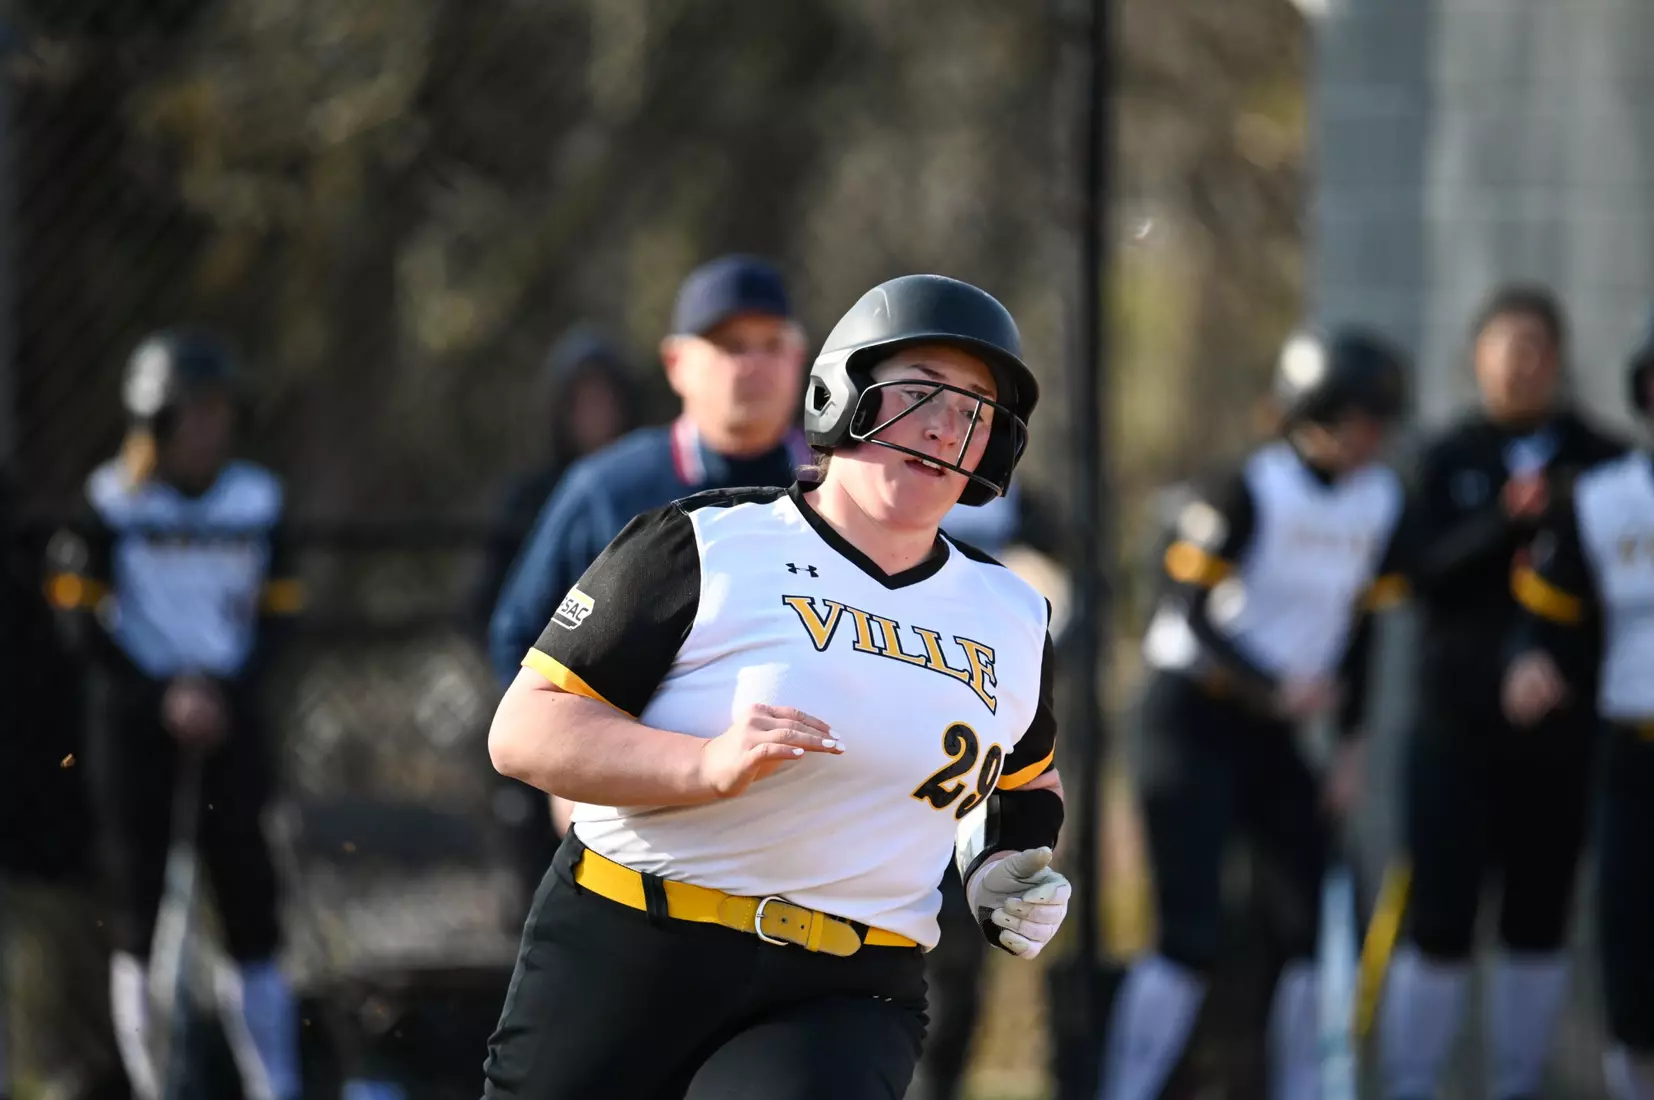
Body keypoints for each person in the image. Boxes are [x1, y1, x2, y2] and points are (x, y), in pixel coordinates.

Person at [479, 273, 1070, 1099]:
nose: (944, 425)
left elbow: (1024, 782)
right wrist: (703, 766)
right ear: (842, 394)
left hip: (846, 988)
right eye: (920, 392)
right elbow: (524, 731)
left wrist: (1004, 867)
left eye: (975, 409)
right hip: (629, 944)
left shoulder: (1010, 614)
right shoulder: (701, 542)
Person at [1100, 326, 1411, 1100]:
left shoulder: (1379, 500)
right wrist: (1270, 685)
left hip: (1274, 731)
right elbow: (1189, 611)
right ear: (1318, 410)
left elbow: (1362, 631)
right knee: (1191, 931)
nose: (1373, 436)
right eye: (1360, 417)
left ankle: (1305, 1087)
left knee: (1306, 924)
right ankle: (1124, 1087)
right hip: (1191, 714)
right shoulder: (1249, 483)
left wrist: (1349, 748)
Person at [485, 254, 813, 896]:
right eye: (727, 345)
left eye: (771, 345)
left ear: (799, 359)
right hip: (627, 823)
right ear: (676, 363)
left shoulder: (840, 492)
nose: (751, 365)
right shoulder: (610, 487)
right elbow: (519, 632)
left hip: (797, 832)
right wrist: (570, 767)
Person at [1374, 285, 1627, 1100]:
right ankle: (1414, 1082)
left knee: (1540, 921)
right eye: (1505, 346)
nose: (1521, 364)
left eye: (1537, 347)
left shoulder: (1602, 460)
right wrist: (1507, 525)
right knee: (1440, 922)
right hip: (1456, 730)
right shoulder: (1445, 458)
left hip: (1563, 733)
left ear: (1559, 360)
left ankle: (1518, 1083)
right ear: (1478, 358)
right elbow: (1418, 570)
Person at [44, 328, 305, 1100]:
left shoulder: (257, 500)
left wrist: (227, 691)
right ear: (153, 420)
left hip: (230, 722)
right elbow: (77, 624)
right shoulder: (110, 503)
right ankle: (151, 1081)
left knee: (251, 912)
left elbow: (281, 615)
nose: (208, 429)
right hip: (137, 729)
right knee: (140, 915)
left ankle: (276, 1083)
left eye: (219, 412)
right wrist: (161, 695)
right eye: (192, 413)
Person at [1502, 308, 1654, 1100]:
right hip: (1634, 750)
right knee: (1633, 962)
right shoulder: (1606, 497)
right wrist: (1529, 661)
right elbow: (1548, 617)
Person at [906, 482, 1068, 1100]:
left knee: (955, 952)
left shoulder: (1019, 509)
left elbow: (1069, 585)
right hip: (875, 749)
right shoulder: (864, 484)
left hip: (972, 759)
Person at [469, 324, 640, 630]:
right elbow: (492, 609)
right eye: (582, 401)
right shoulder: (528, 500)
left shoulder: (650, 490)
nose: (595, 413)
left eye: (603, 399)